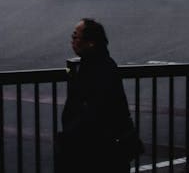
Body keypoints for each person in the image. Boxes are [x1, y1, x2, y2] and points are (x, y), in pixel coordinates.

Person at [56, 19, 139, 173]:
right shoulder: (98, 64)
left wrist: (70, 135)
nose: (72, 41)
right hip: (100, 147)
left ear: (90, 43)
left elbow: (95, 111)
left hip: (96, 150)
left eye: (76, 37)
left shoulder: (98, 69)